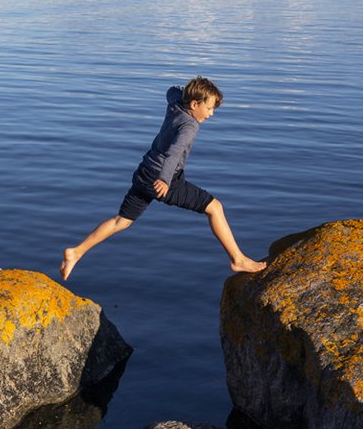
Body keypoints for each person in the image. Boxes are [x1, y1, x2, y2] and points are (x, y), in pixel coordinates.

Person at [59, 76, 266, 280]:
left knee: (121, 221)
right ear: (194, 104)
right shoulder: (190, 125)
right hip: (161, 179)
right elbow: (174, 153)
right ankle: (238, 259)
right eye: (209, 108)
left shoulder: (176, 104)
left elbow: (171, 90)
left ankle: (76, 252)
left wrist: (182, 91)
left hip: (144, 172)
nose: (211, 114)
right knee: (215, 208)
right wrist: (165, 180)